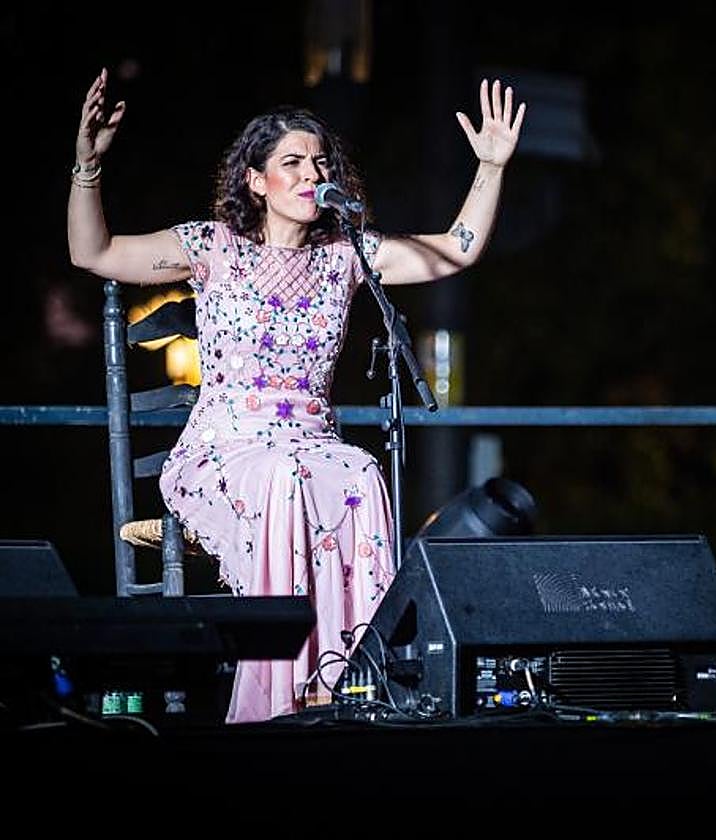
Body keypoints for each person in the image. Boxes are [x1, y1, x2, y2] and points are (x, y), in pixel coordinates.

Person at [68, 68, 526, 723]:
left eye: (319, 161)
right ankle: (277, 698)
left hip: (311, 446)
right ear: (255, 180)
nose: (312, 172)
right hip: (224, 451)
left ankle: (352, 689)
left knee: (362, 471)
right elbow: (95, 252)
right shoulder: (213, 246)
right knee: (288, 477)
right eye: (292, 162)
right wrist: (86, 168)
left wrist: (489, 168)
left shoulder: (345, 255)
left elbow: (454, 251)